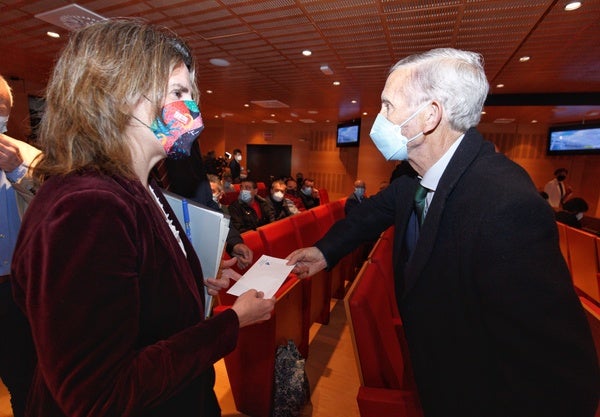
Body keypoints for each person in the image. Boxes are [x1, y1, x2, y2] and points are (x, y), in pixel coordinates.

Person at [287, 48, 599, 417]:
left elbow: (557, 367)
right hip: (433, 377)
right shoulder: (411, 176)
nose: (379, 119)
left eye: (388, 106)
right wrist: (325, 252)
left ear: (429, 116)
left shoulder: (505, 203)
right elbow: (370, 215)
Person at [10, 20, 275, 417]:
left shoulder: (138, 183)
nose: (194, 110)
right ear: (118, 96)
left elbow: (137, 286)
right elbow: (101, 395)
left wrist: (189, 282)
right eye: (179, 92)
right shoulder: (87, 207)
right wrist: (230, 323)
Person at [0, 74, 38, 417]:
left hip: (16, 288)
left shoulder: (30, 157)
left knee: (22, 377)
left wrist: (17, 173)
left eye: (4, 108)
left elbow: (53, 208)